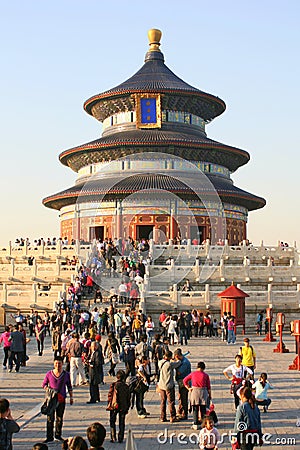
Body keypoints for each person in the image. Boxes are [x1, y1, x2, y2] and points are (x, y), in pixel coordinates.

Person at [42, 356, 73, 443]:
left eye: (59, 363)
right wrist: (49, 390)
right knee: (50, 418)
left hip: (61, 399)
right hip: (51, 400)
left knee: (59, 418)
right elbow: (44, 384)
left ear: (62, 364)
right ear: (53, 364)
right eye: (56, 363)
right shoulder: (49, 374)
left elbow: (69, 386)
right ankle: (49, 437)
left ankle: (58, 435)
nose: (57, 365)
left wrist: (71, 397)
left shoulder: (66, 374)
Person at [183, 361, 212, 430]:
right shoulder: (205, 375)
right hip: (203, 392)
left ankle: (195, 423)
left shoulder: (193, 374)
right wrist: (210, 395)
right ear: (203, 368)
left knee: (195, 408)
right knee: (203, 409)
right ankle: (203, 423)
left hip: (194, 392)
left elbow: (185, 380)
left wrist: (188, 388)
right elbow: (208, 387)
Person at [157, 350, 181, 423]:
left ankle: (162, 417)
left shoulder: (160, 362)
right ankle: (172, 417)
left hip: (161, 385)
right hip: (168, 385)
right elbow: (178, 363)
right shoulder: (169, 364)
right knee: (171, 402)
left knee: (163, 401)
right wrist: (176, 359)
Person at [107, 369, 130, 443]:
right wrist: (127, 407)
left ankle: (113, 436)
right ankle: (121, 437)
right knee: (121, 422)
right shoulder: (126, 386)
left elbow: (110, 395)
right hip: (123, 407)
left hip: (114, 406)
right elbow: (128, 398)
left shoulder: (114, 385)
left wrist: (109, 404)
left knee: (112, 421)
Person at [174, 348, 191, 420]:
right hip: (181, 381)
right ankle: (180, 411)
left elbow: (179, 372)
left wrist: (174, 365)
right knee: (180, 397)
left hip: (184, 382)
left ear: (177, 356)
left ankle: (185, 413)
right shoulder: (182, 360)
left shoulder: (184, 362)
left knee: (184, 398)